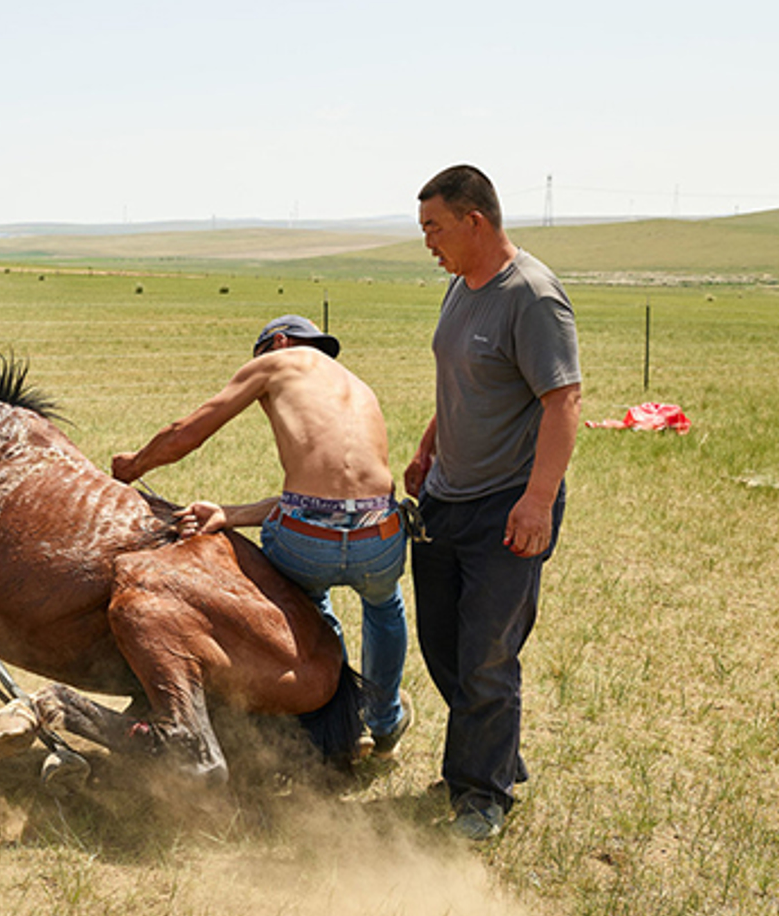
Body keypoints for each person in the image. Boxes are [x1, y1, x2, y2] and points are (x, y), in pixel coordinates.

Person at [111, 315, 410, 758]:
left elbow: (184, 435)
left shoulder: (276, 362)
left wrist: (133, 467)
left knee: (311, 607)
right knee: (385, 607)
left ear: (279, 341)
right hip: (380, 536)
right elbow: (331, 499)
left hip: (308, 542)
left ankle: (339, 718)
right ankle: (384, 719)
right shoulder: (358, 386)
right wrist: (228, 514)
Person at [409, 165, 582, 840]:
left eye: (434, 227)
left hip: (507, 503)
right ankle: (491, 753)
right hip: (447, 494)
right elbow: (460, 379)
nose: (427, 241)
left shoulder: (532, 296)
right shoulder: (460, 287)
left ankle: (483, 793)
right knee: (444, 644)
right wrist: (429, 447)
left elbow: (563, 400)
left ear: (473, 221)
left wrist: (538, 501)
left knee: (487, 649)